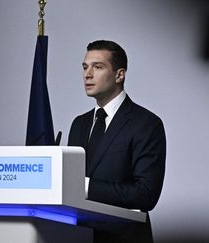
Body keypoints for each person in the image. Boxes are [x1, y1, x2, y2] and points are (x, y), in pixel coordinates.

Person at [67, 40, 166, 243]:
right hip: (79, 236)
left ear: (119, 75)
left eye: (98, 67)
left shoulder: (147, 124)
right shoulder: (79, 124)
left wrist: (84, 186)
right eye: (85, 67)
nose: (87, 74)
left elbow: (145, 194)